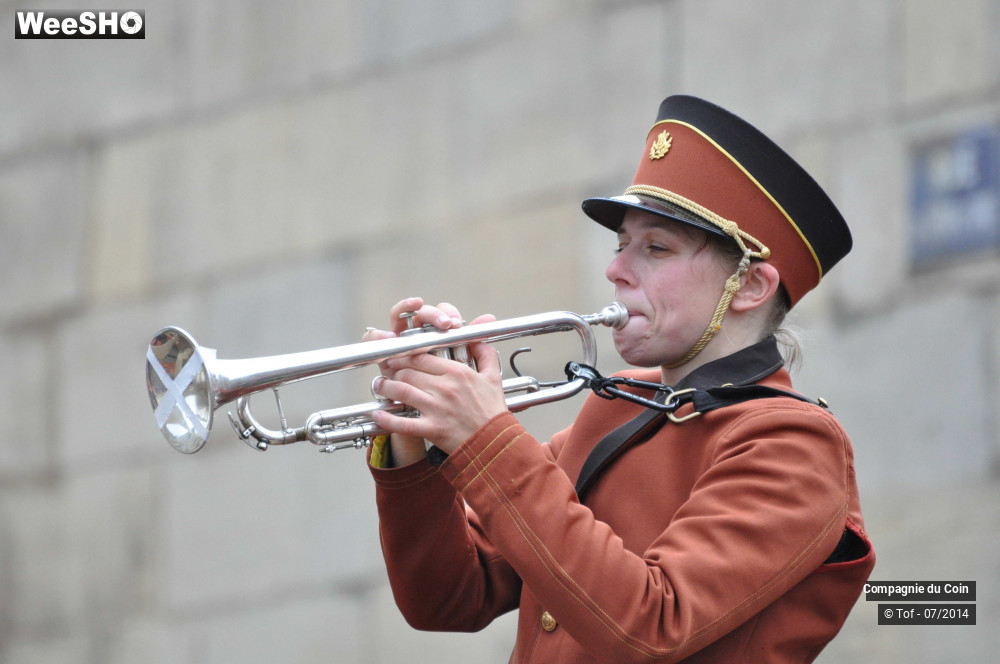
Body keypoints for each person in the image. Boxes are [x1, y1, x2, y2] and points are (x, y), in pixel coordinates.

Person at [362, 95, 875, 663]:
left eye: (655, 248)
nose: (615, 269)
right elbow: (448, 599)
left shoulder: (792, 445)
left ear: (750, 287)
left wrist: (485, 438)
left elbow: (652, 625)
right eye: (621, 244)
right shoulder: (620, 408)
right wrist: (414, 433)